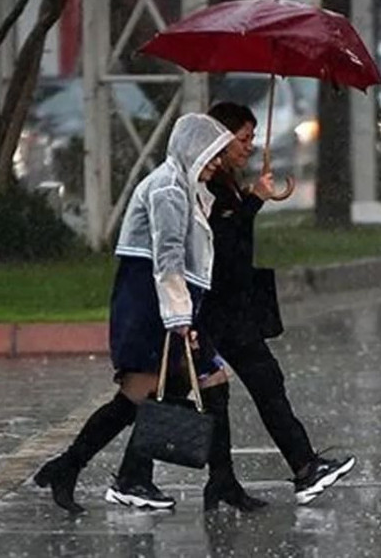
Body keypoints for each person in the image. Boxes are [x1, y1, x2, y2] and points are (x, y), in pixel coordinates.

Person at [34, 113, 244, 514]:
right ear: (191, 150)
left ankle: (102, 471)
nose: (217, 161)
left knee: (184, 387)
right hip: (153, 303)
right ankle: (105, 472)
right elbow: (167, 260)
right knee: (142, 394)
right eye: (211, 153)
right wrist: (181, 318)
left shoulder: (187, 188)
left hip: (168, 302)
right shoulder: (168, 189)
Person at [200, 101, 356, 507]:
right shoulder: (209, 185)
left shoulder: (226, 182)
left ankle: (241, 477)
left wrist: (252, 197)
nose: (250, 146)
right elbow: (222, 246)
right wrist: (252, 201)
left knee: (249, 388)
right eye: (244, 138)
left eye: (253, 137)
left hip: (231, 307)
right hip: (217, 309)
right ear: (220, 138)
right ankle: (301, 467)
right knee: (168, 394)